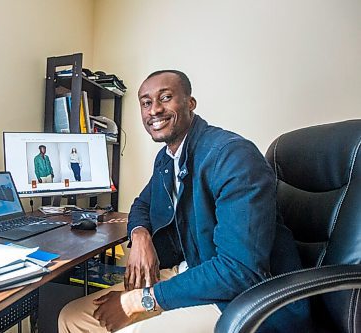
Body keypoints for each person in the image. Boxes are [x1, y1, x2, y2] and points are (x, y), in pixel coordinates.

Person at [58, 70, 311, 333]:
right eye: (146, 102)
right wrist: (140, 236)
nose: (154, 110)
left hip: (240, 297)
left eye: (165, 98)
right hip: (190, 272)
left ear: (190, 103)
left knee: (128, 330)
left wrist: (137, 301)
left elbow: (239, 270)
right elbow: (141, 204)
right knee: (73, 316)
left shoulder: (233, 156)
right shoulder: (167, 158)